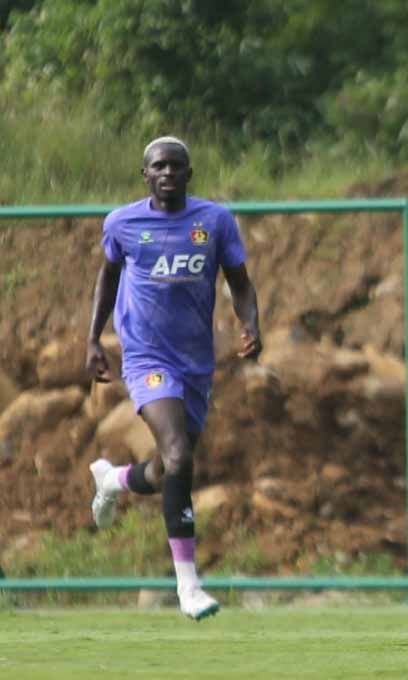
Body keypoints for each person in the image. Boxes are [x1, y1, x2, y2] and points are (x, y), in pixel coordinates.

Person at [85, 136, 262, 620]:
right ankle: (189, 586)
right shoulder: (123, 223)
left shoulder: (214, 222)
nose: (167, 172)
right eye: (158, 166)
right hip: (146, 357)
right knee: (180, 454)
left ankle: (114, 479)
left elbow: (240, 284)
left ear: (189, 173)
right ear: (145, 175)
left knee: (168, 468)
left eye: (176, 166)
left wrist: (250, 323)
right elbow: (108, 276)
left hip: (195, 363)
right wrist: (94, 339)